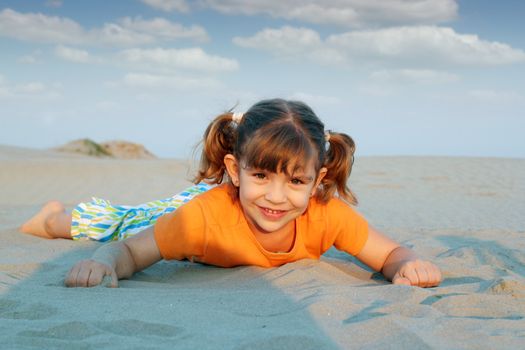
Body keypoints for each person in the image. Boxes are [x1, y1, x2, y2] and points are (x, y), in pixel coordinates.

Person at [20, 98, 442, 288]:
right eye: (261, 175)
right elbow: (128, 252)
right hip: (197, 209)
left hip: (221, 205)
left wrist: (409, 267)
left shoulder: (327, 214)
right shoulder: (201, 218)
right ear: (234, 170)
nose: (277, 197)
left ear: (319, 180)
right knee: (113, 224)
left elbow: (390, 254)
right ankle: (50, 216)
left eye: (296, 181)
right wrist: (102, 262)